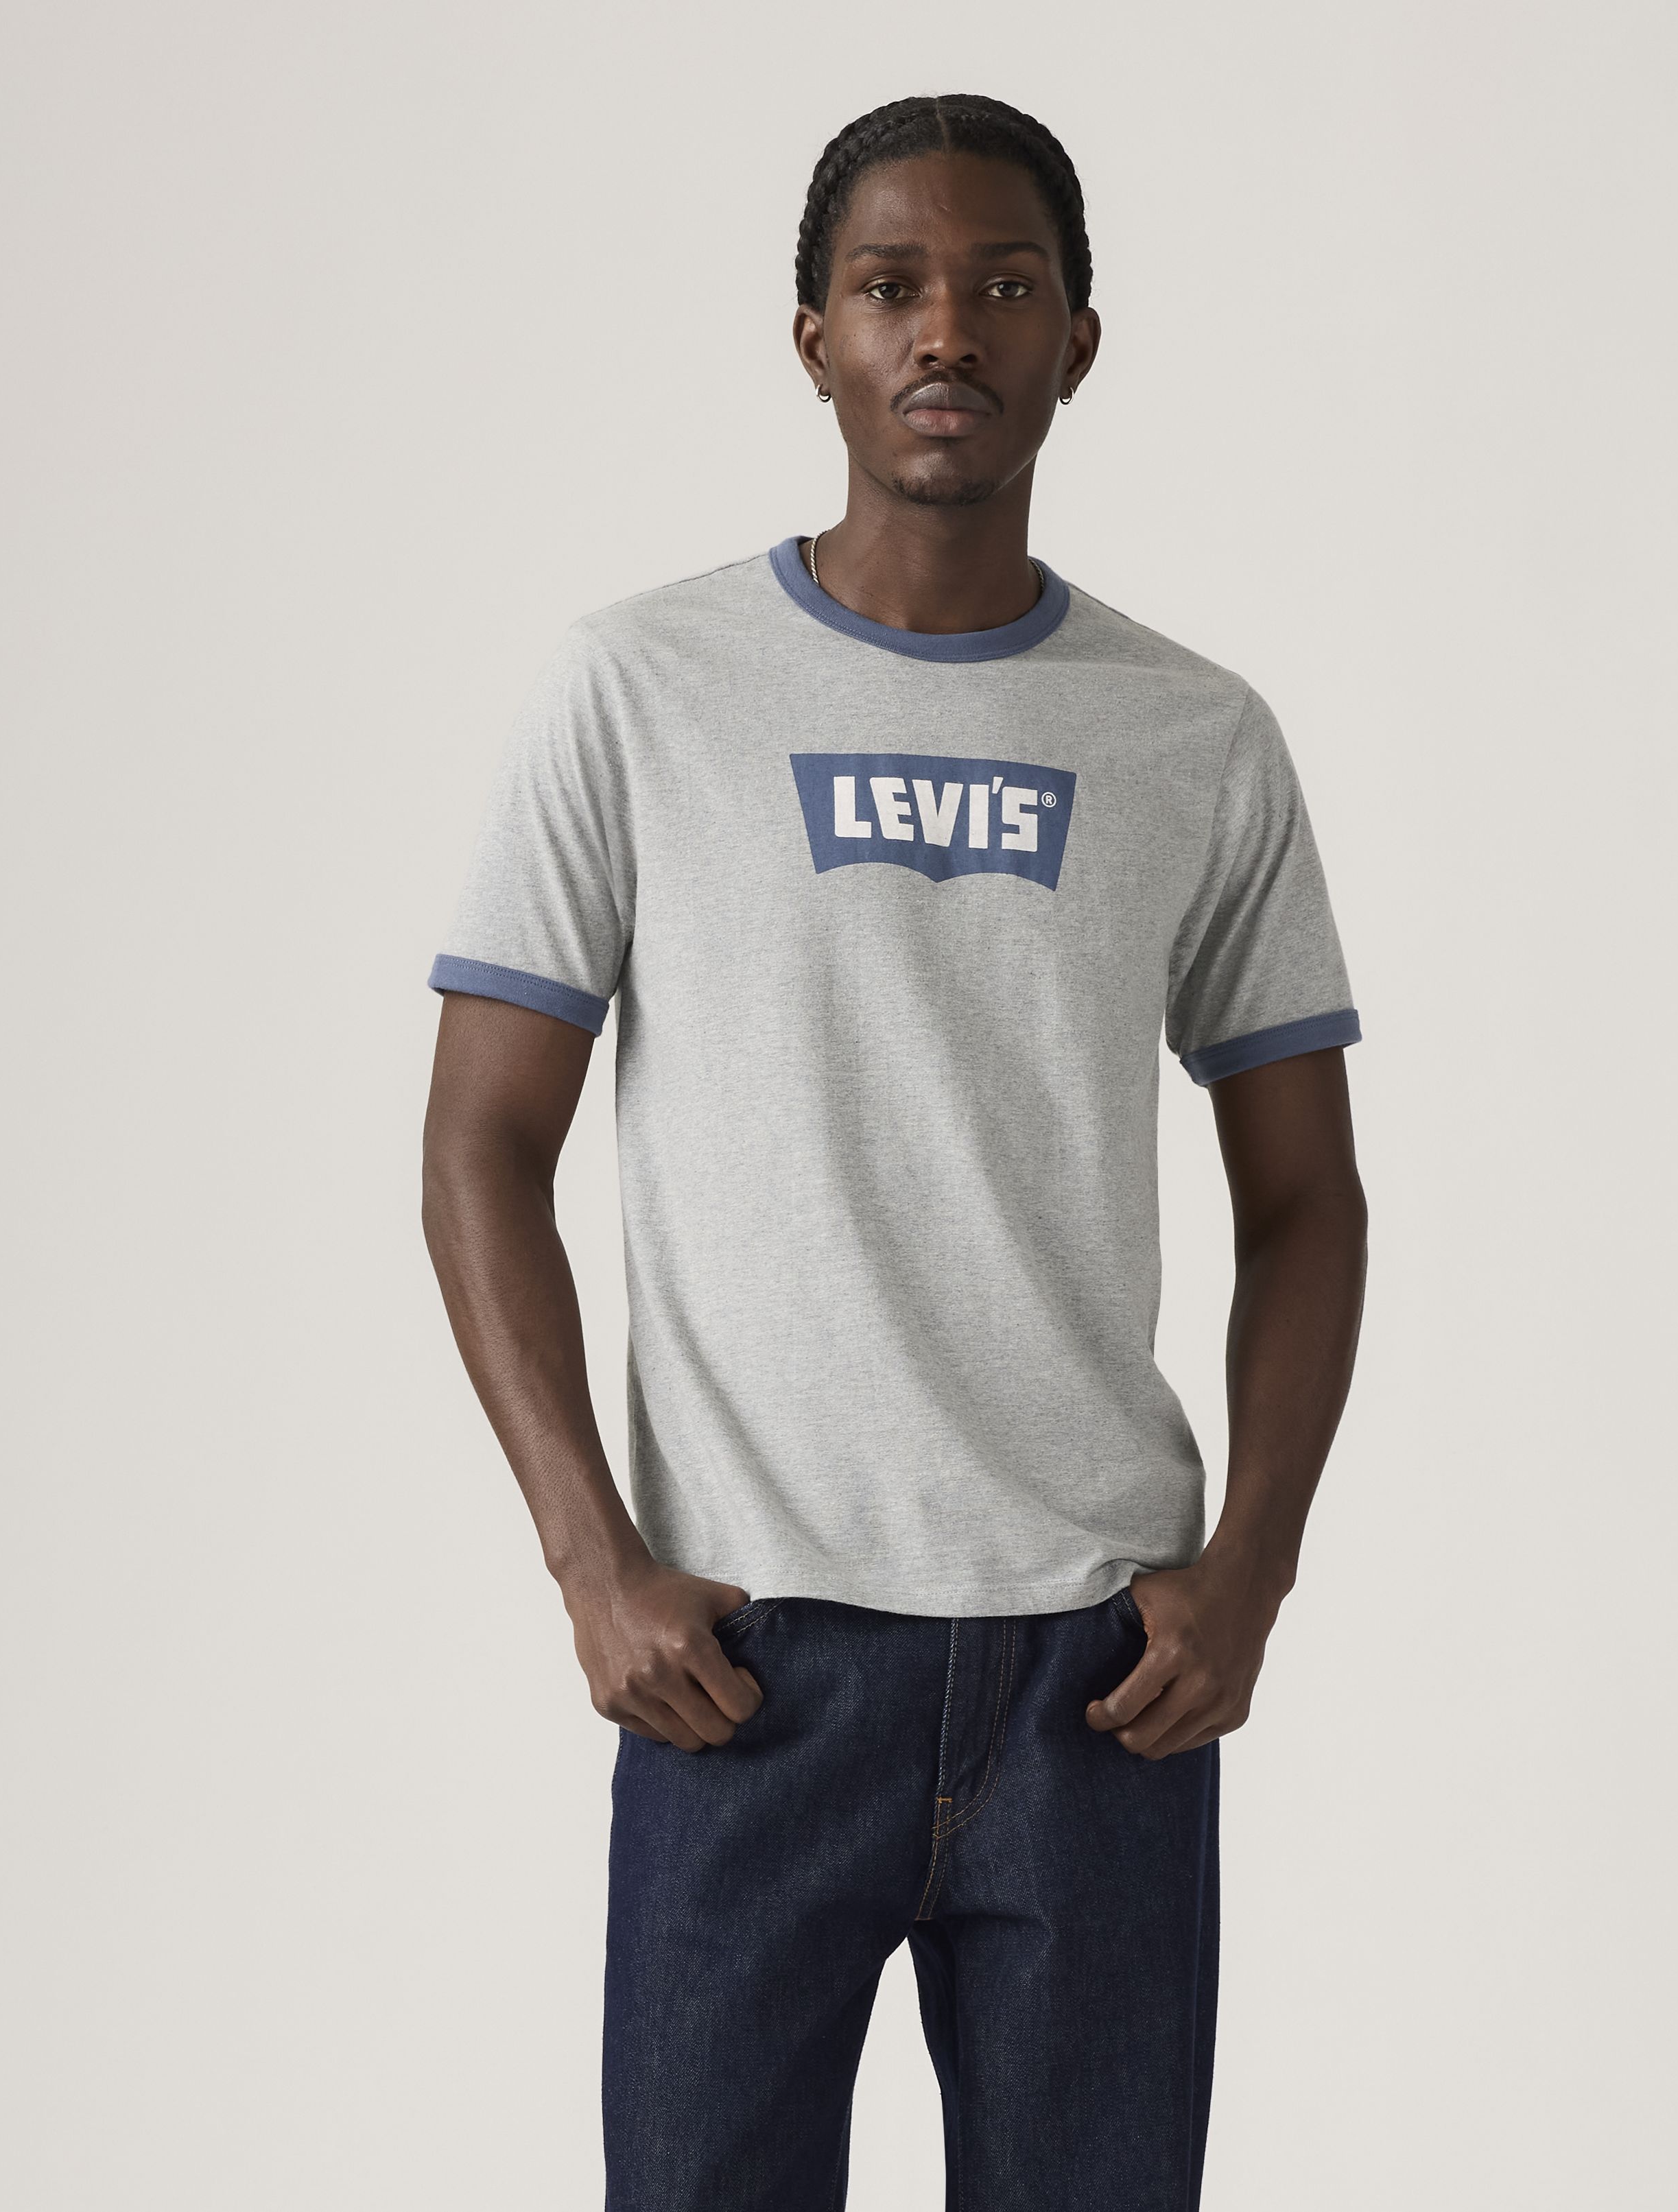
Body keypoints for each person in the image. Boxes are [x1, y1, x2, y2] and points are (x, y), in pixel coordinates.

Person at [421, 91, 1367, 2212]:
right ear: (815, 340)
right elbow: (480, 1141)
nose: (947, 328)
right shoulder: (639, 689)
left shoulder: (1193, 733)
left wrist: (1249, 1571)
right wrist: (589, 1562)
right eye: (891, 286)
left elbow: (1306, 1193)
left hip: (1095, 1679)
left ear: (1076, 342)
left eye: (1002, 285)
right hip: (745, 1663)